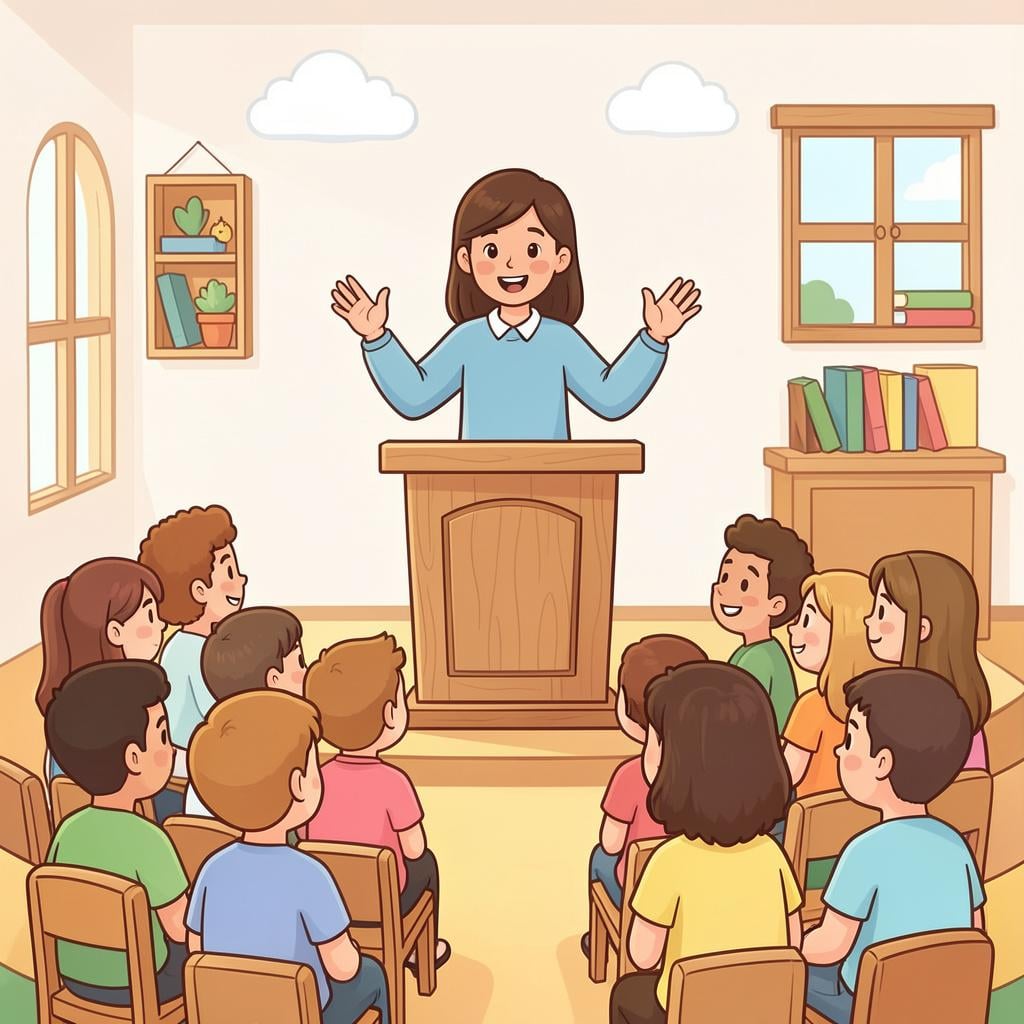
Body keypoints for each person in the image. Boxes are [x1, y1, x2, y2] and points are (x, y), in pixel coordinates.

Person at [330, 168, 702, 440]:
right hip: (471, 489)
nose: (511, 265)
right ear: (466, 260)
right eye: (492, 250)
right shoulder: (468, 339)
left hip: (557, 489)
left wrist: (654, 338)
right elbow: (416, 398)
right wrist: (376, 337)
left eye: (531, 249)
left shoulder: (560, 340)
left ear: (561, 259)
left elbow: (610, 399)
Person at [610, 662, 802, 1024]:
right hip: (765, 1008)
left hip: (689, 1009)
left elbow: (642, 954)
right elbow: (794, 943)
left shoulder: (669, 860)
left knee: (627, 993)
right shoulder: (773, 855)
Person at [187, 691, 389, 1024]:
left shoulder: (211, 869)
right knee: (373, 976)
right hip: (301, 1014)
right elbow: (343, 968)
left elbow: (197, 950)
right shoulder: (311, 874)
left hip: (227, 1012)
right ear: (298, 784)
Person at [802, 667, 985, 1024]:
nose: (839, 749)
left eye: (851, 739)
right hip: (943, 1000)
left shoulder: (863, 850)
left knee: (797, 976)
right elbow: (975, 931)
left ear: (883, 763)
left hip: (871, 1003)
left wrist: (792, 943)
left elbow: (830, 946)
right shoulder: (956, 845)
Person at [44, 661, 188, 1006]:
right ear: (134, 758)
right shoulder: (150, 839)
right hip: (143, 982)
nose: (170, 749)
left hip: (76, 979)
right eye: (163, 736)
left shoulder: (67, 829)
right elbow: (181, 928)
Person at [304, 633, 451, 970]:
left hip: (329, 898)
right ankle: (419, 953)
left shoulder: (316, 779)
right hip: (384, 900)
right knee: (427, 864)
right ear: (389, 714)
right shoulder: (394, 782)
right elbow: (414, 848)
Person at [587, 634, 707, 919]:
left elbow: (611, 842)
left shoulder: (631, 775)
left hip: (643, 895)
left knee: (599, 859)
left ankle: (600, 938)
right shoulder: (715, 770)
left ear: (630, 711)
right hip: (698, 888)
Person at [139, 505, 246, 778]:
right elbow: (227, 721)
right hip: (189, 775)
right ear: (199, 591)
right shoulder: (192, 651)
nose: (241, 580)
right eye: (229, 573)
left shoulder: (194, 644)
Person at [36, 557, 165, 772]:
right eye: (150, 615)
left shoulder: (69, 712)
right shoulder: (118, 712)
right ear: (115, 632)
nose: (161, 624)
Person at [866, 551, 991, 770]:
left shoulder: (915, 718)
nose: (869, 620)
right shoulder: (964, 716)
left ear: (922, 628)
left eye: (882, 612)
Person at [183, 606, 307, 816]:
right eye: (300, 662)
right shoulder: (278, 760)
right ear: (274, 679)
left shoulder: (206, 758)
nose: (306, 672)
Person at [711, 514, 814, 732]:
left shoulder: (759, 658)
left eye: (744, 584)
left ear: (776, 605)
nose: (723, 589)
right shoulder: (750, 652)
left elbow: (736, 722)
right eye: (725, 577)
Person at [783, 571, 882, 797]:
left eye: (806, 620)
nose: (792, 627)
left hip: (811, 824)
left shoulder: (812, 706)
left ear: (842, 632)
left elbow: (786, 775)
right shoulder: (884, 706)